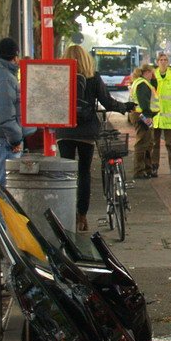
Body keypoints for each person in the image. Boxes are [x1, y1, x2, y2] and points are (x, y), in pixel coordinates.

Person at [56, 45, 135, 231]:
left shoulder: (60, 76)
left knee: (67, 175)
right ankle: (82, 216)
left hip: (65, 131)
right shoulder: (93, 77)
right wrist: (125, 107)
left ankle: (67, 215)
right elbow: (107, 101)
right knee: (84, 173)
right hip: (86, 131)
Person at [0, 37, 25, 186]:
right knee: (4, 187)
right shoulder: (5, 78)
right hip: (5, 140)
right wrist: (16, 139)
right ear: (15, 57)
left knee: (0, 183)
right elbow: (5, 115)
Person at [150, 53, 171, 176]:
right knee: (155, 143)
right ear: (157, 62)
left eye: (165, 60)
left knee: (170, 143)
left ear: (168, 62)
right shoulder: (153, 77)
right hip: (156, 116)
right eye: (161, 60)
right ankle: (154, 167)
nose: (163, 62)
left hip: (169, 116)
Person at [129, 64, 158, 180]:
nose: (153, 75)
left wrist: (154, 80)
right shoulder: (142, 84)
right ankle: (139, 171)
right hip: (142, 115)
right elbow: (144, 102)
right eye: (151, 72)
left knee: (148, 142)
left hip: (141, 115)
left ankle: (147, 168)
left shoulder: (142, 82)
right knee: (142, 143)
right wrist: (148, 116)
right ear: (146, 72)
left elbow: (154, 88)